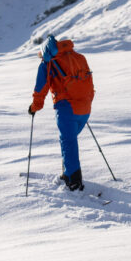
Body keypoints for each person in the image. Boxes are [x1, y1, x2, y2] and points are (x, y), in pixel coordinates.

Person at [29, 35, 95, 191]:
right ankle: (67, 173)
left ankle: (74, 181)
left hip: (67, 107)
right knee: (69, 141)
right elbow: (89, 81)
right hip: (85, 108)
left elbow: (41, 88)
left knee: (68, 141)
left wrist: (35, 107)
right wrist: (86, 101)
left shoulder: (48, 63)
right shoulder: (79, 57)